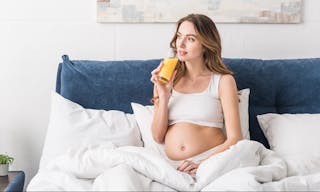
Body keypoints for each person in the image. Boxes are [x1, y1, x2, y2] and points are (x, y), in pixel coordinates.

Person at [150, 14, 242, 175]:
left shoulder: (223, 81)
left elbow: (235, 138)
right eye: (179, 37)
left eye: (190, 39)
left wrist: (202, 164)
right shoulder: (166, 79)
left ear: (206, 45)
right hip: (173, 167)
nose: (181, 44)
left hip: (212, 161)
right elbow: (158, 137)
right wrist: (164, 96)